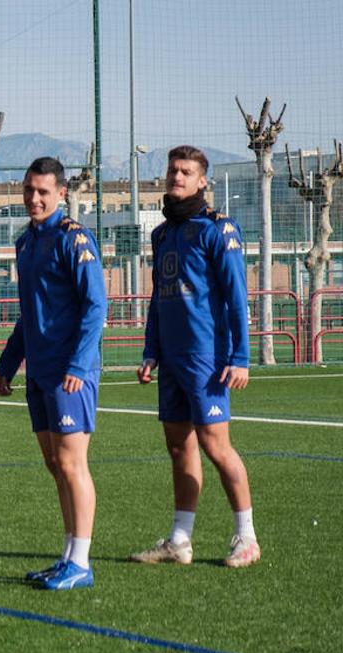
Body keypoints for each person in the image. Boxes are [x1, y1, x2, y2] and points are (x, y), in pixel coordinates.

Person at [130, 145, 260, 568]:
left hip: (208, 357)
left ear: (203, 180)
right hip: (170, 357)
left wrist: (240, 357)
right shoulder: (163, 233)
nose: (176, 177)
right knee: (177, 446)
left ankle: (247, 538)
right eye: (172, 170)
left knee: (216, 446)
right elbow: (158, 297)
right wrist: (151, 350)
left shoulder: (218, 230)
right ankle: (179, 541)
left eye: (185, 171)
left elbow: (237, 297)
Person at [0, 157, 106, 590]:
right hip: (39, 373)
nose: (34, 199)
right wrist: (8, 363)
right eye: (28, 190)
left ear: (61, 193)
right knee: (55, 463)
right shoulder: (26, 243)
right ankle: (68, 556)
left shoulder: (74, 238)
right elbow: (28, 314)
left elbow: (96, 305)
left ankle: (81, 562)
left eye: (43, 192)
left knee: (73, 463)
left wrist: (78, 364)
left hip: (69, 373)